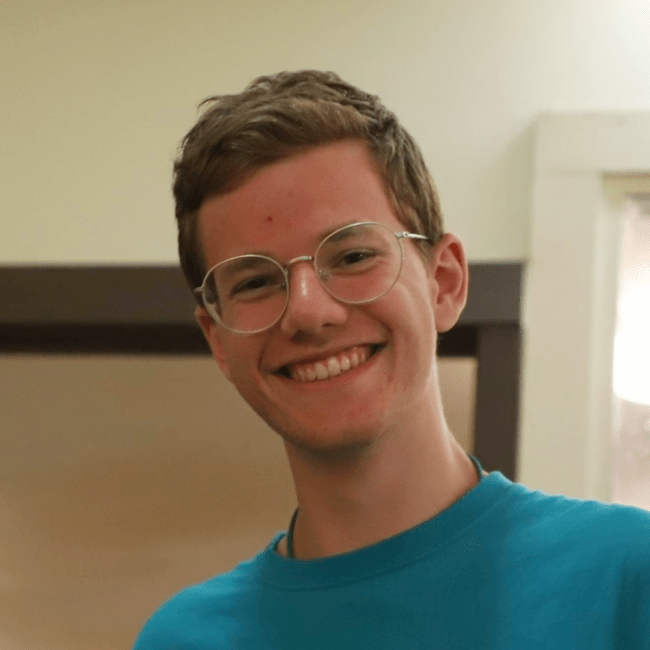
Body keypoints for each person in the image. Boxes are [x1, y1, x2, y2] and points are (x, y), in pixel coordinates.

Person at [132, 70, 650, 649]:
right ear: (218, 340)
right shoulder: (184, 641)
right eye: (255, 282)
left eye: (352, 254)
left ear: (445, 283)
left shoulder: (626, 579)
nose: (307, 311)